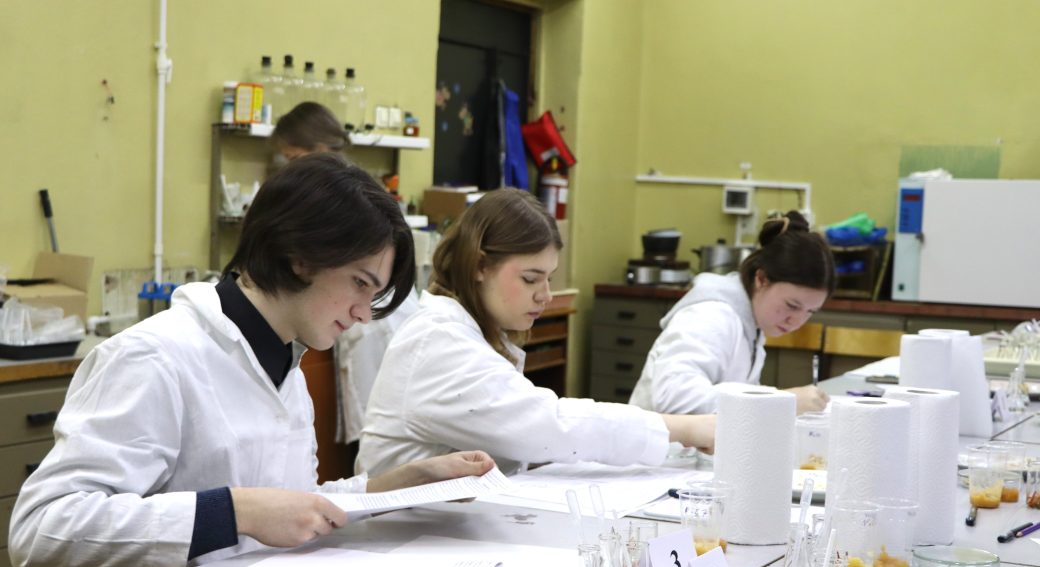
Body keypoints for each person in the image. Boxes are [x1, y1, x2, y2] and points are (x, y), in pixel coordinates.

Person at [9, 154, 494, 567]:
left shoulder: (285, 363)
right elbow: (40, 531)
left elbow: (290, 508)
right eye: (359, 284)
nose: (364, 314)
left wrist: (403, 484)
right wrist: (235, 511)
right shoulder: (154, 357)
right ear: (300, 256)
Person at [356, 187, 717, 477]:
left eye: (548, 279)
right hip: (400, 533)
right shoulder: (438, 342)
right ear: (480, 265)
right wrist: (683, 429)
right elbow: (548, 426)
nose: (545, 295)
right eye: (530, 279)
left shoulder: (470, 333)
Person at [272, 100, 420, 465]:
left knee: (384, 438)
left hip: (383, 332)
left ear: (321, 148)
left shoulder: (343, 206)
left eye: (295, 157)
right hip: (371, 328)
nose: (291, 170)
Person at [629, 210, 835, 416]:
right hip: (659, 436)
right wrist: (779, 402)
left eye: (810, 311)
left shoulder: (753, 321)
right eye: (791, 305)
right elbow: (672, 397)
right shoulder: (711, 316)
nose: (796, 321)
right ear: (761, 279)